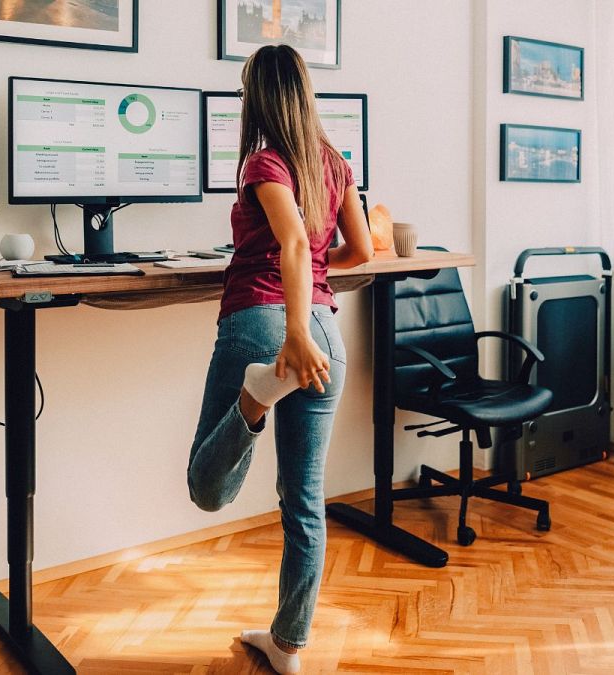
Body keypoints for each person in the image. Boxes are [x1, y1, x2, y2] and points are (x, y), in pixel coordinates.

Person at [185, 44, 374, 674]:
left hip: (268, 323)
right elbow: (360, 252)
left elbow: (292, 240)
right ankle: (288, 647)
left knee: (206, 490)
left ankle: (255, 397)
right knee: (305, 498)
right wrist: (314, 293)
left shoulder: (263, 160)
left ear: (255, 97)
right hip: (327, 330)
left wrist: (293, 334)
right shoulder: (335, 163)